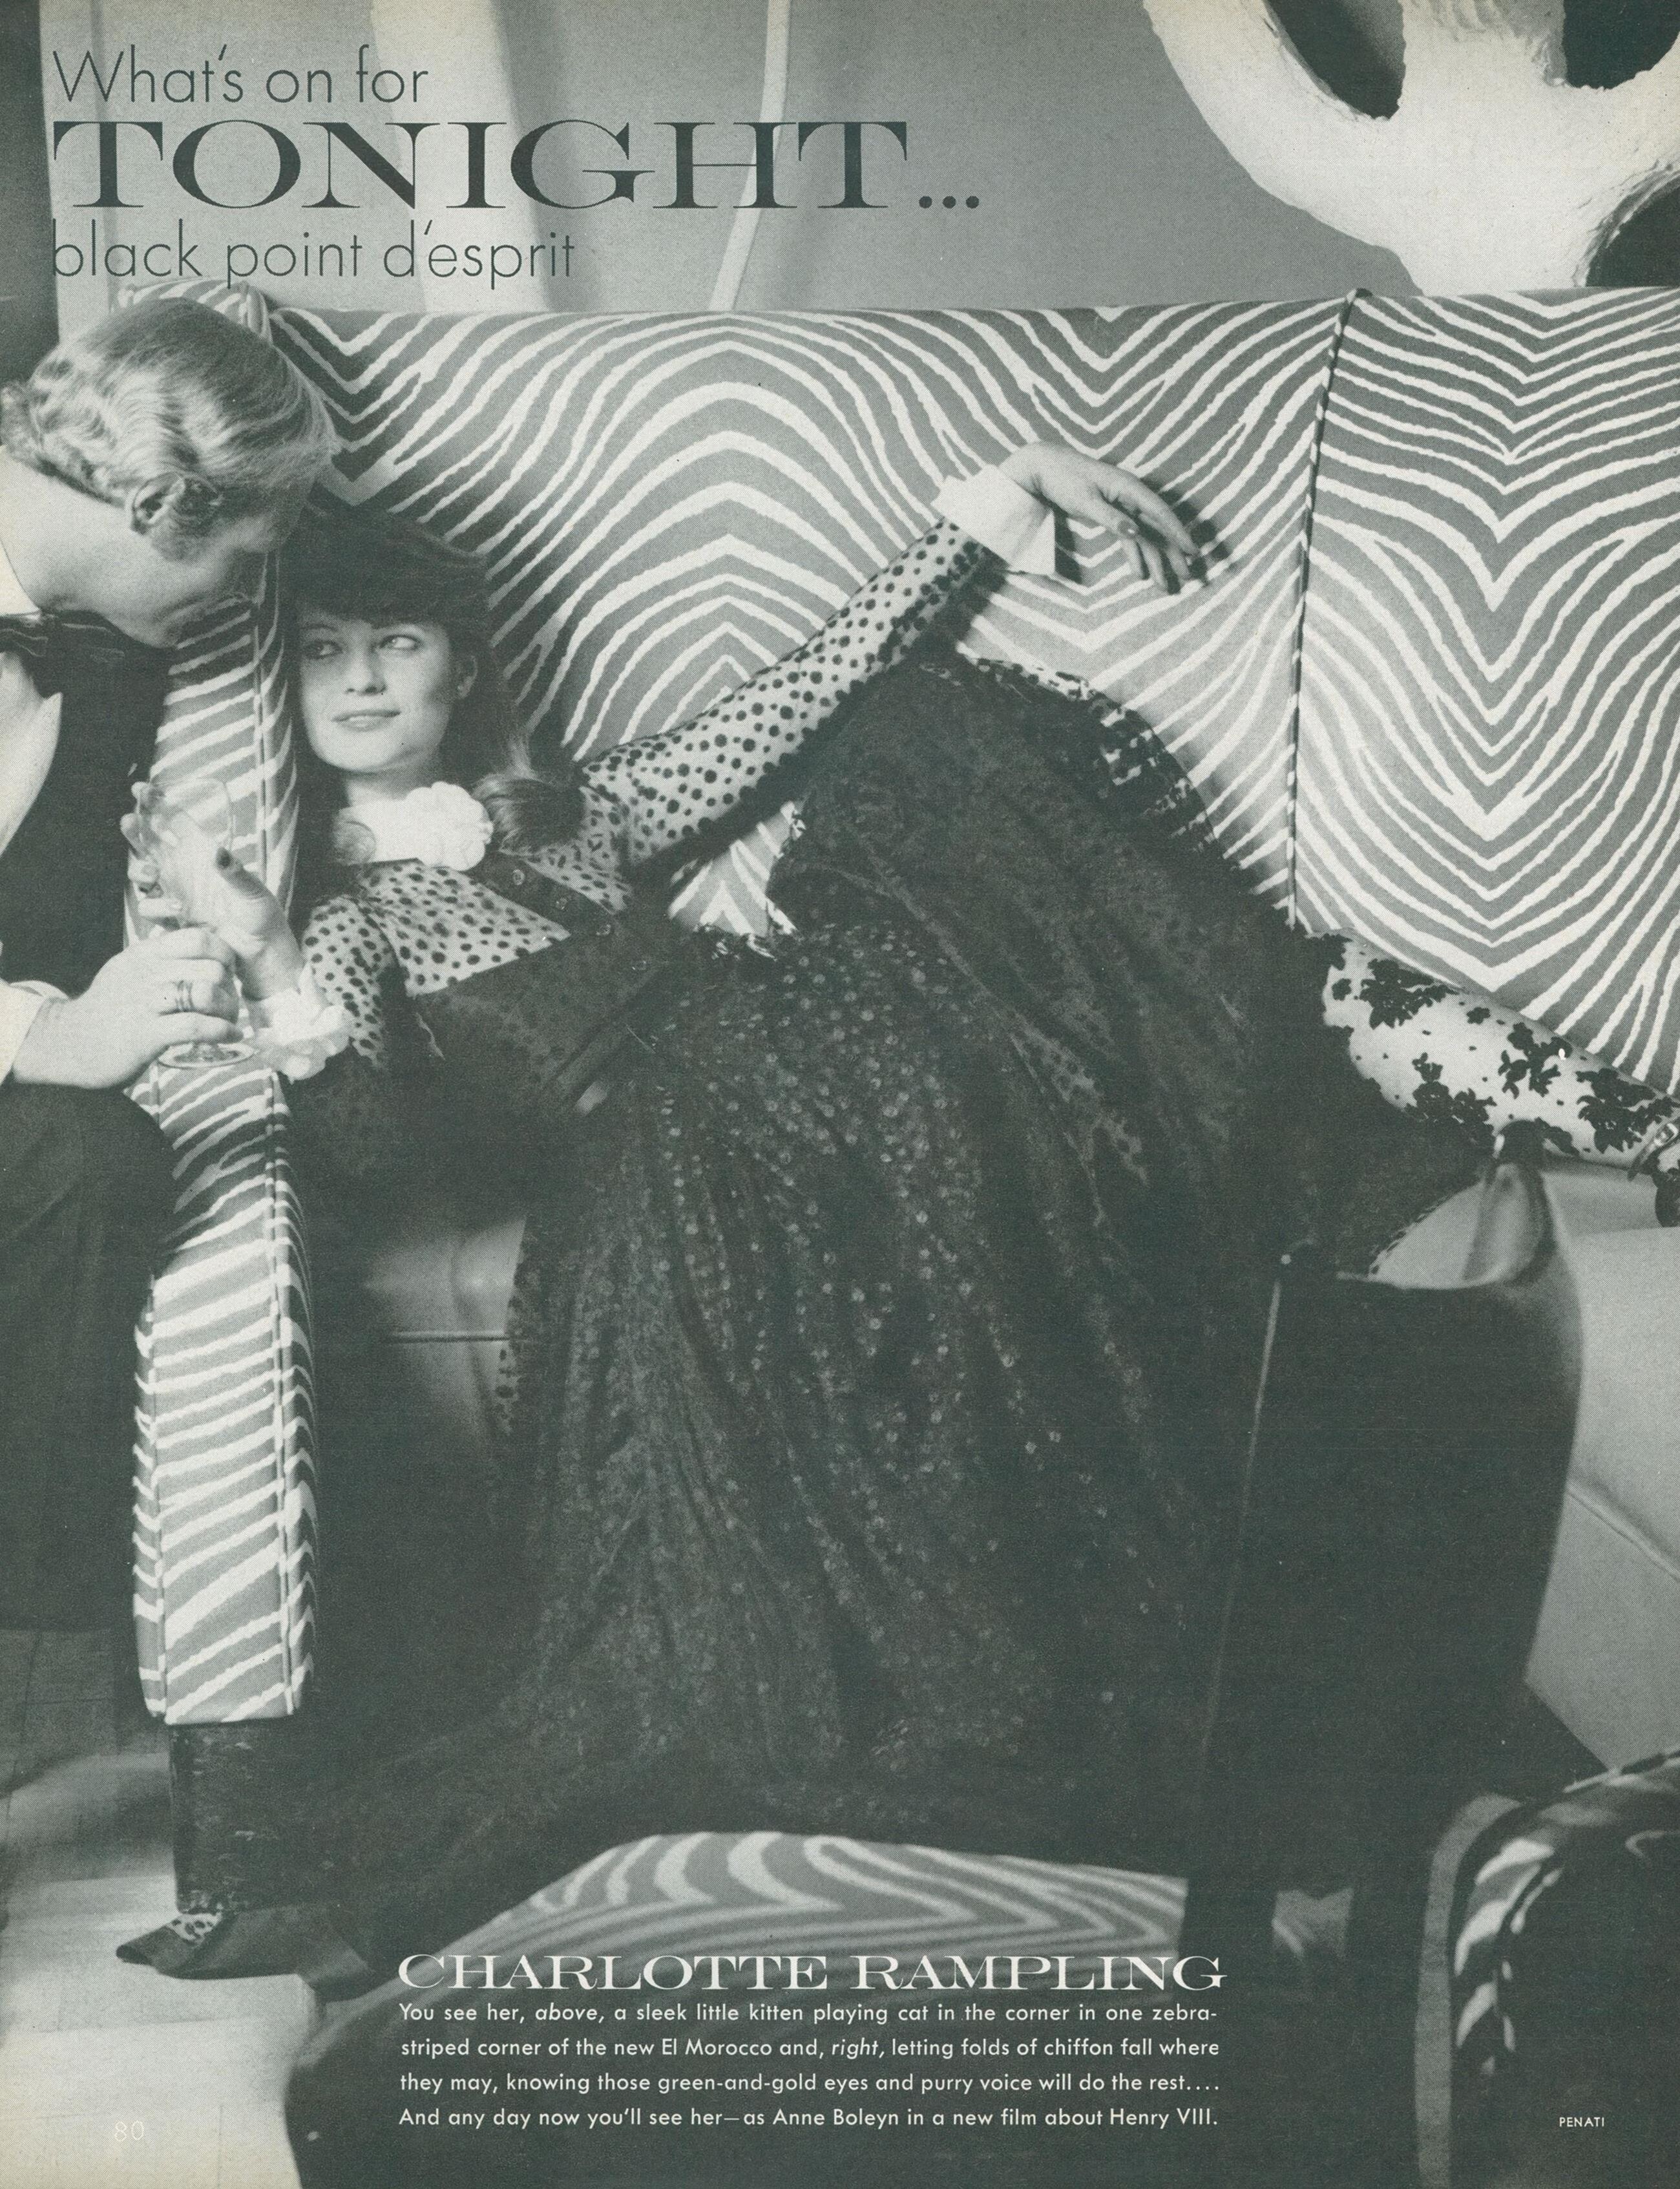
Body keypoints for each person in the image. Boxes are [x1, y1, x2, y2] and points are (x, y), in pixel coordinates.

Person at [125, 450, 1680, 1985]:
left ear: (460, 664)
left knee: (923, 734)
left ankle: (1397, 1075)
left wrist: (989, 511)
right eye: (322, 649)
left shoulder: (575, 810)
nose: (362, 677)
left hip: (818, 1041)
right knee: (1179, 1009)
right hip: (679, 1155)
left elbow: (805, 692)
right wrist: (268, 956)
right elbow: (374, 1148)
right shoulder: (339, 916)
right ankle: (1397, 1085)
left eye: (395, 640)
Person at [0, 297, 335, 1629]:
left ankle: (45, 1641)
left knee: (97, 1166)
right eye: (249, 560)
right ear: (163, 509)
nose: (248, 598)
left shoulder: (74, 635)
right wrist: (50, 1034)